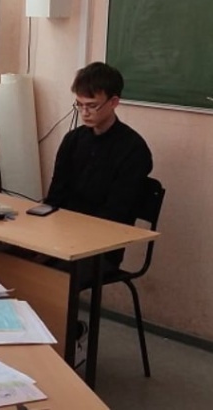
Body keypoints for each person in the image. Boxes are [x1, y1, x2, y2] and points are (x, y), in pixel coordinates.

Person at [45, 61, 154, 274]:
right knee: (13, 256)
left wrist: (70, 236)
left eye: (92, 105)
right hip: (63, 234)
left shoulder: (133, 149)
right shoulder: (73, 140)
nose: (84, 112)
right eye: (79, 105)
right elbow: (56, 195)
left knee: (48, 273)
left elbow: (116, 213)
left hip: (102, 246)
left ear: (114, 102)